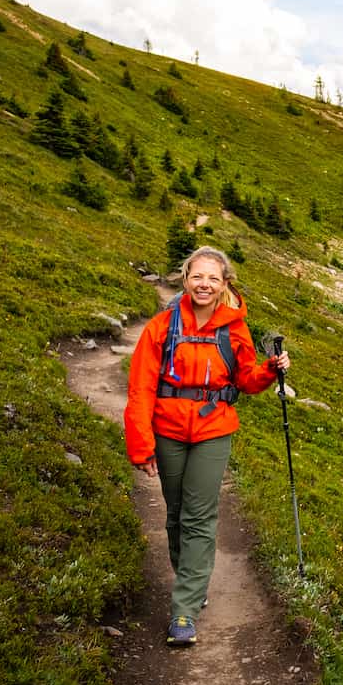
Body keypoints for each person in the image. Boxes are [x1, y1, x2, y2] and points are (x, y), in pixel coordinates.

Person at [124, 245, 290, 647]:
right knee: (176, 513)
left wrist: (270, 369)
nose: (204, 284)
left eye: (213, 278)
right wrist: (141, 445)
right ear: (185, 279)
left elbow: (247, 379)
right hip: (167, 430)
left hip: (214, 429)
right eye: (198, 276)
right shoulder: (161, 328)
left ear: (224, 284)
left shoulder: (234, 329)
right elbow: (141, 388)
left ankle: (184, 608)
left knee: (198, 515)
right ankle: (193, 584)